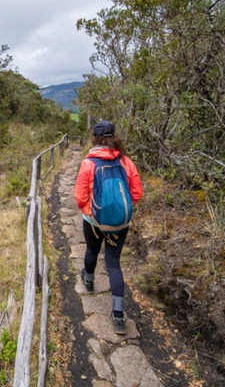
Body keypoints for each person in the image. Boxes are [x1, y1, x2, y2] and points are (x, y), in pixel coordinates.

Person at [74, 121, 143, 334]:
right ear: (114, 137)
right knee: (113, 263)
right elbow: (137, 193)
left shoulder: (89, 163)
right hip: (120, 223)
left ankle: (89, 279)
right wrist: (120, 210)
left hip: (95, 221)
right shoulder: (126, 162)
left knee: (92, 250)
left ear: (94, 138)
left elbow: (79, 196)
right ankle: (118, 315)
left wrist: (90, 212)